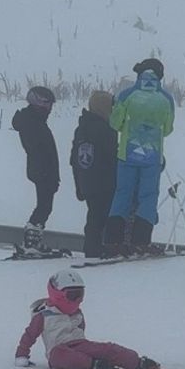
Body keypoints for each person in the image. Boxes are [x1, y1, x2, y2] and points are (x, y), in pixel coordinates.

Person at [15, 269, 164, 369]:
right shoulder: (44, 316)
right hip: (59, 351)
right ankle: (94, 364)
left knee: (107, 348)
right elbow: (29, 336)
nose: (78, 300)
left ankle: (138, 363)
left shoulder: (77, 313)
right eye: (73, 295)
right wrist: (22, 355)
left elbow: (81, 330)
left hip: (80, 345)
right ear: (58, 294)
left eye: (80, 295)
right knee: (60, 356)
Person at [102, 58, 175, 257]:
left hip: (127, 154)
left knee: (122, 194)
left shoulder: (127, 95)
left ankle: (113, 240)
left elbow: (115, 124)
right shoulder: (166, 99)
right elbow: (168, 129)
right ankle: (141, 241)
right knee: (148, 198)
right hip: (152, 157)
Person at [12, 86, 59, 254]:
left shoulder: (35, 121)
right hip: (41, 169)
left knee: (45, 205)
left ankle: (33, 240)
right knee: (44, 206)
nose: (49, 110)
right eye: (47, 105)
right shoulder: (31, 122)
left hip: (43, 169)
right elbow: (39, 148)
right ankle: (31, 242)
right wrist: (48, 171)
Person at [71, 90, 118, 259]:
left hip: (87, 181)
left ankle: (92, 247)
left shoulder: (82, 128)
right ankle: (97, 249)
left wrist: (79, 184)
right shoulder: (105, 130)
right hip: (103, 181)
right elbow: (113, 156)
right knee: (101, 217)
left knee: (94, 215)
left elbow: (74, 159)